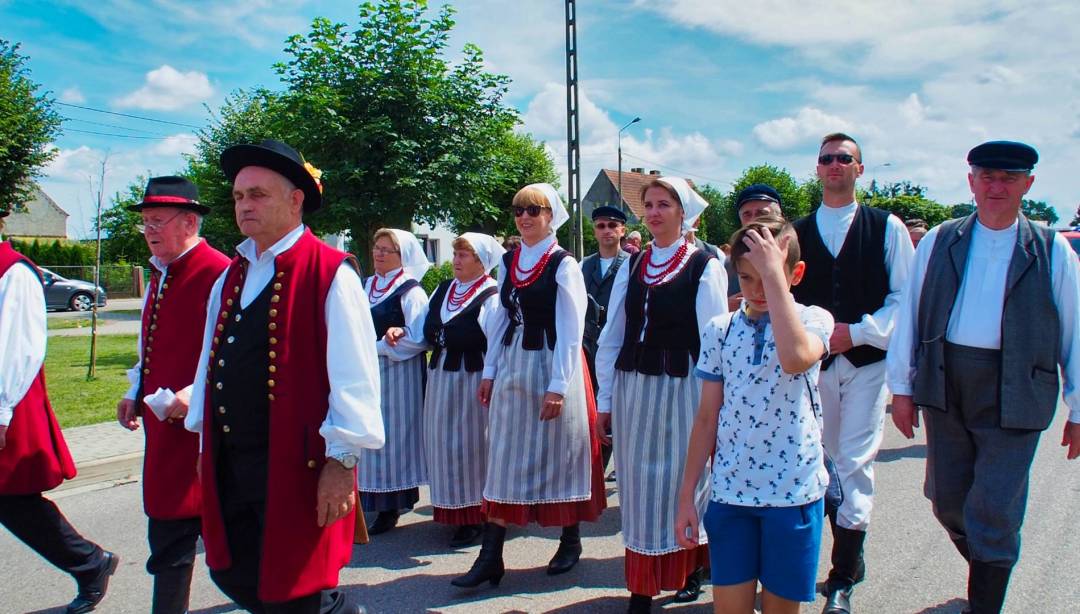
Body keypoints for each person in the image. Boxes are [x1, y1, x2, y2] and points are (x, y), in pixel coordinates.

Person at [185, 139, 384, 613]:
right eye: (238, 197)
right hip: (232, 461)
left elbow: (354, 377)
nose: (245, 205)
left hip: (296, 465)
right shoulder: (229, 276)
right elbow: (209, 364)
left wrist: (342, 462)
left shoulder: (331, 273)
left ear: (296, 200)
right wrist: (202, 444)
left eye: (258, 194)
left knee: (296, 587)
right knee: (230, 569)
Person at [887, 141, 1080, 614]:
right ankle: (986, 574)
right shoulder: (939, 239)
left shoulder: (1053, 251)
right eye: (987, 177)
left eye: (1009, 179)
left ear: (1028, 185)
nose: (996, 187)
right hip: (945, 385)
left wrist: (1079, 409)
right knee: (947, 501)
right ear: (971, 180)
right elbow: (909, 316)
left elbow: (1076, 330)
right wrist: (902, 389)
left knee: (994, 508)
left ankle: (984, 604)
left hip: (1017, 392)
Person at [676, 216, 833, 614]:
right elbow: (707, 417)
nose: (758, 290)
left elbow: (795, 357)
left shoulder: (814, 320)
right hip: (731, 493)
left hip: (792, 494)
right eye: (747, 278)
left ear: (795, 274)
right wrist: (686, 496)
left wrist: (772, 276)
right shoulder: (720, 329)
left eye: (769, 276)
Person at [452, 183, 606, 589]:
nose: (524, 218)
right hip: (515, 360)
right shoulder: (509, 260)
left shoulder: (564, 265)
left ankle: (570, 541)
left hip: (555, 363)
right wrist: (489, 372)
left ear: (550, 216)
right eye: (519, 211)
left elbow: (572, 331)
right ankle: (491, 556)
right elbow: (502, 318)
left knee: (562, 453)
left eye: (533, 211)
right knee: (504, 454)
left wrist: (559, 385)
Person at [790, 133, 914, 614]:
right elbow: (790, 301)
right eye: (826, 159)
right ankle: (834, 558)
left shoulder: (888, 227)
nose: (834, 165)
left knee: (854, 463)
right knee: (818, 463)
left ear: (860, 169)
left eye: (844, 158)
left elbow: (904, 298)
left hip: (866, 364)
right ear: (817, 170)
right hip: (815, 368)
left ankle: (841, 578)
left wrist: (858, 333)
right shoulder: (799, 231)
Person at [595, 177, 728, 612]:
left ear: (682, 211)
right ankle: (641, 586)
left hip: (684, 388)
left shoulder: (706, 263)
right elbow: (613, 333)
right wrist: (606, 401)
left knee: (681, 481)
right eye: (648, 205)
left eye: (663, 205)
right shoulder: (631, 265)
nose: (653, 213)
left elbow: (714, 340)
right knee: (636, 484)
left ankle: (689, 569)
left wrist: (717, 405)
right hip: (635, 387)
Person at [115, 176, 229, 614]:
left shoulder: (218, 271)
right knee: (167, 528)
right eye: (145, 222)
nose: (150, 230)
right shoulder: (160, 272)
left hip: (209, 427)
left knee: (235, 541)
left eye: (158, 221)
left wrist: (192, 395)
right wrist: (135, 387)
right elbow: (153, 341)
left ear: (189, 222)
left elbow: (230, 353)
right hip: (166, 426)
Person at [0, 207, 119, 614]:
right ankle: (88, 561)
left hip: (8, 401)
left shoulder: (13, 271)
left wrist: (1, 410)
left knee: (13, 497)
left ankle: (88, 561)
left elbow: (18, 346)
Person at [384, 233, 505, 547]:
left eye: (465, 255)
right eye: (456, 254)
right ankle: (451, 508)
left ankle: (476, 515)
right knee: (443, 443)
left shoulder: (491, 296)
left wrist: (490, 380)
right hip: (440, 377)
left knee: (472, 444)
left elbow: (496, 346)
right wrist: (399, 331)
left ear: (483, 262)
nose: (457, 261)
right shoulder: (443, 290)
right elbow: (423, 333)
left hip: (472, 376)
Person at [358, 228, 431, 535]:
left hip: (399, 377)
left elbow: (419, 338)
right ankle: (368, 502)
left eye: (387, 250)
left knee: (393, 439)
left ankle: (391, 505)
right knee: (368, 437)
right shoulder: (366, 285)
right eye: (377, 247)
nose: (379, 253)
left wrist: (378, 347)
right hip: (369, 373)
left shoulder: (411, 291)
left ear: (404, 257)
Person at [581, 205, 629, 470]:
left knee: (612, 408)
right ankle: (592, 470)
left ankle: (605, 469)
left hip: (617, 346)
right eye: (601, 226)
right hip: (588, 345)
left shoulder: (632, 263)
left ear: (623, 230)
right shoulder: (583, 265)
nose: (607, 231)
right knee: (590, 408)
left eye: (612, 225)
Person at [728, 184, 785, 312]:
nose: (754, 220)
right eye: (747, 214)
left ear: (779, 217)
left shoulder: (792, 257)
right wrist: (726, 305)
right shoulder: (728, 264)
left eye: (761, 213)